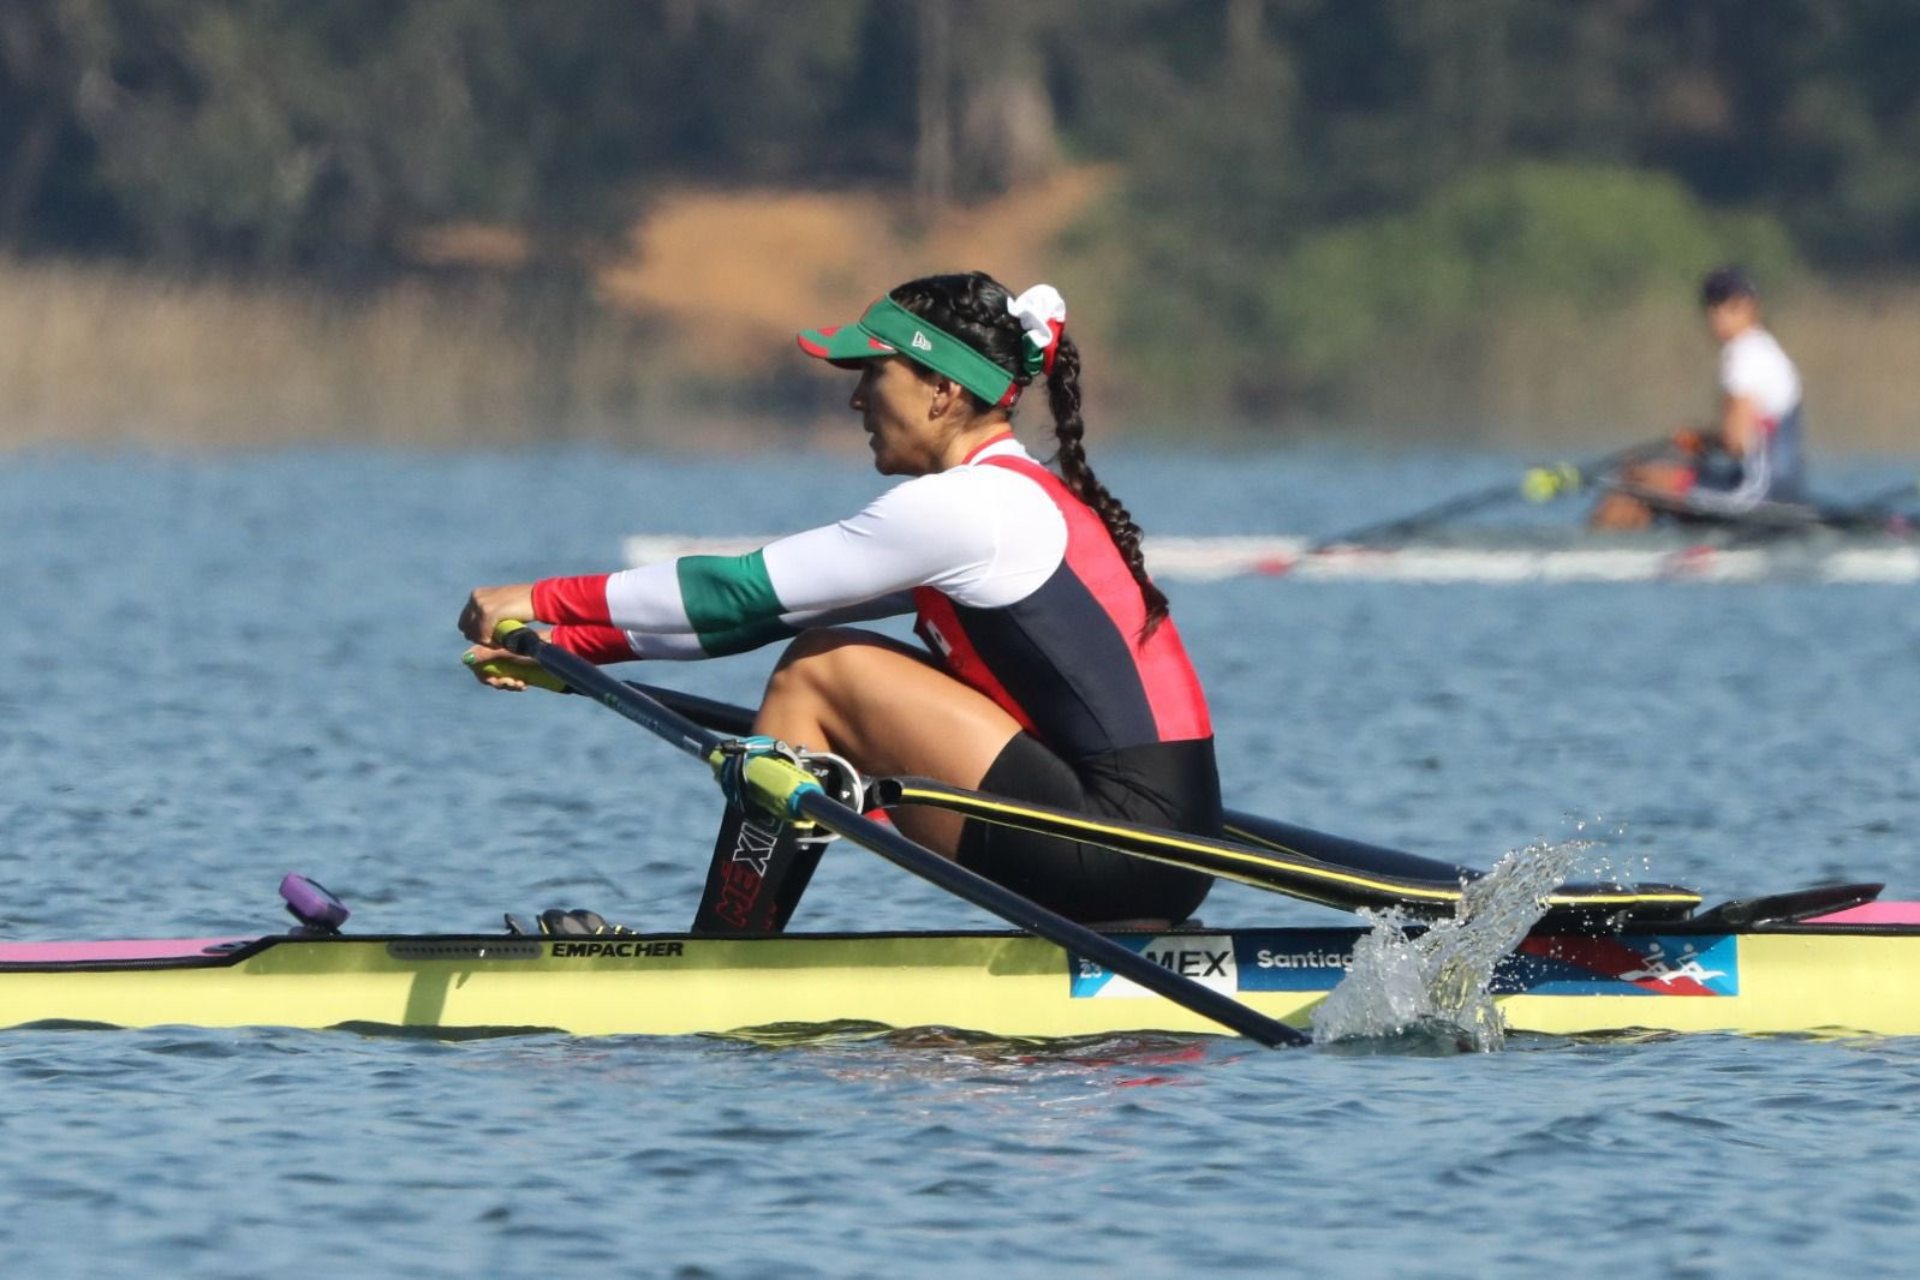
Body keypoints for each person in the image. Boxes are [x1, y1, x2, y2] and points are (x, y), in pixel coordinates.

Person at [458, 271, 1218, 927]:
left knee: (821, 671)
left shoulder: (967, 509)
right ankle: (736, 942)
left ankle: (729, 948)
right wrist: (566, 651)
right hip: (1155, 848)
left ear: (943, 392)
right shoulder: (1001, 502)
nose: (856, 400)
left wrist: (539, 594)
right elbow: (762, 616)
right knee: (818, 657)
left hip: (1123, 847)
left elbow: (737, 591)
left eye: (872, 374)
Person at [1590, 265, 1805, 529]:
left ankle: (1591, 549)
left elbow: (1736, 442)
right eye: (1712, 306)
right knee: (1655, 478)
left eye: (1730, 306)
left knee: (1634, 481)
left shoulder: (1744, 355)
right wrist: (1699, 441)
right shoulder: (1767, 350)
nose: (1719, 315)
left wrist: (1700, 439)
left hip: (1754, 493)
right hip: (1779, 490)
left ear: (1752, 307)